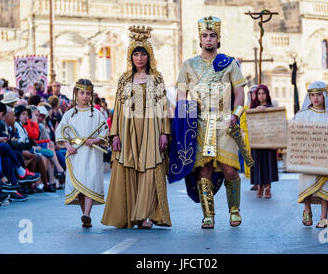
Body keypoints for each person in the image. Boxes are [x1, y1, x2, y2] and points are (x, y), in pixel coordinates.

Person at [174, 16, 246, 229]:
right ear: (200, 38)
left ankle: (234, 210)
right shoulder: (189, 65)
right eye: (205, 35)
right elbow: (180, 95)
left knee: (229, 168)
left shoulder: (229, 63)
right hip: (199, 123)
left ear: (218, 38)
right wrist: (184, 120)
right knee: (203, 169)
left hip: (225, 122)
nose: (208, 39)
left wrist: (236, 114)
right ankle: (208, 214)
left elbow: (240, 93)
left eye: (212, 35)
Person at [101, 25, 172, 229]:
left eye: (143, 54)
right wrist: (115, 135)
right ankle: (132, 215)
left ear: (149, 56)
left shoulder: (156, 78)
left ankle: (147, 215)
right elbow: (118, 107)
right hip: (128, 130)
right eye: (136, 54)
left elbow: (162, 107)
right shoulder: (124, 79)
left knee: (150, 169)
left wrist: (165, 132)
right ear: (131, 57)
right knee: (130, 169)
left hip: (152, 129)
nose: (139, 58)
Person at [55, 79, 109, 228]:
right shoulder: (69, 115)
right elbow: (61, 131)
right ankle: (85, 214)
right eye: (82, 93)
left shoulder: (96, 114)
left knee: (89, 182)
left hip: (91, 154)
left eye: (88, 93)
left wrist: (96, 140)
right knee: (79, 187)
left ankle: (86, 214)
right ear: (76, 94)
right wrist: (67, 145)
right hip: (75, 154)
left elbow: (105, 131)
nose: (85, 96)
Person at [293, 81, 328, 228]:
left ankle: (323, 217)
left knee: (325, 187)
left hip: (326, 158)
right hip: (307, 158)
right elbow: (294, 132)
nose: (316, 98)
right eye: (312, 95)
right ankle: (307, 211)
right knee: (307, 184)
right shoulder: (302, 115)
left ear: (325, 95)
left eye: (319, 94)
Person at [249, 85, 279, 199]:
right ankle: (259, 185)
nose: (261, 96)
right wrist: (255, 111)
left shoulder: (272, 107)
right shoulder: (252, 107)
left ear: (267, 94)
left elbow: (276, 121)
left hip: (269, 140)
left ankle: (267, 187)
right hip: (256, 140)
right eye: (259, 93)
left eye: (263, 93)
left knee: (268, 163)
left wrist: (266, 110)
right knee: (258, 163)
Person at [239, 85, 257, 189]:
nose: (254, 95)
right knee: (251, 158)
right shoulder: (246, 108)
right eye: (252, 93)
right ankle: (254, 181)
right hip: (249, 136)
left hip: (261, 136)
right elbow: (243, 123)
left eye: (256, 92)